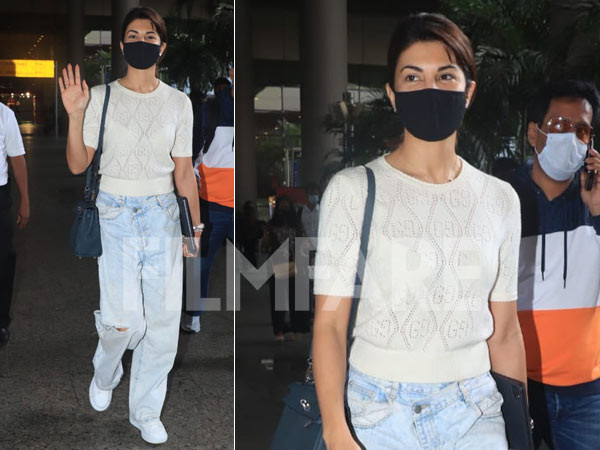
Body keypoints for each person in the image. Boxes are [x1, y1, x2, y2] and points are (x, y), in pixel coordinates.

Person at [313, 13, 526, 449]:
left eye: (445, 75)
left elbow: (505, 330)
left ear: (468, 91)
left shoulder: (501, 198)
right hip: (376, 411)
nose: (430, 88)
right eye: (413, 76)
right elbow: (331, 322)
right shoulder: (353, 190)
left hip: (475, 409)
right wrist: (336, 429)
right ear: (393, 94)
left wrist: (522, 429)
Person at [58, 6, 201, 444]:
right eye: (133, 34)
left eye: (150, 35)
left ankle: (145, 410)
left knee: (162, 323)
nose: (142, 41)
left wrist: (193, 232)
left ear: (162, 45)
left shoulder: (179, 103)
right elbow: (78, 164)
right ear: (122, 46)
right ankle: (105, 373)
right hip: (115, 213)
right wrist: (76, 114)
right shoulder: (100, 97)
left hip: (161, 214)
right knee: (124, 323)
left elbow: (183, 174)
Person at [509, 80, 600, 450]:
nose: (572, 138)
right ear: (535, 133)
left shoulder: (594, 200)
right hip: (516, 386)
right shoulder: (503, 197)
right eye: (560, 125)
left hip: (587, 393)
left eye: (581, 129)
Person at [181, 69, 234, 333]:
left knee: (198, 262)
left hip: (215, 203)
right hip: (210, 204)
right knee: (198, 261)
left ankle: (192, 317)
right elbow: (191, 157)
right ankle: (192, 316)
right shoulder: (209, 111)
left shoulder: (207, 110)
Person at [0, 102, 30, 348]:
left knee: (3, 260)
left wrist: (25, 200)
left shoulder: (4, 114)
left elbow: (17, 159)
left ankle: (0, 321)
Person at [264, 196, 310, 342]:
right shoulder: (270, 226)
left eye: (286, 207)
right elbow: (264, 246)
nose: (284, 210)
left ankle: (296, 329)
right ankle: (279, 330)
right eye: (281, 207)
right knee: (278, 301)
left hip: (295, 265)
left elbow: (304, 242)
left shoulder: (297, 226)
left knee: (295, 299)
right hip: (276, 266)